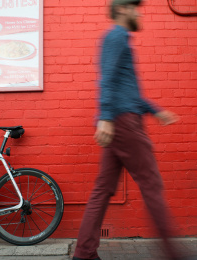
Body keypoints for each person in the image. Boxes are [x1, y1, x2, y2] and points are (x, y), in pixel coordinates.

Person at [72, 0, 182, 260]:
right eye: (135, 7)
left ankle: (84, 253)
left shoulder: (120, 39)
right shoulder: (117, 36)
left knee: (103, 188)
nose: (137, 12)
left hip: (119, 120)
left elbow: (128, 90)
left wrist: (156, 111)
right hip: (123, 123)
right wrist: (107, 117)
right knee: (151, 183)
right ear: (122, 9)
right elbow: (107, 77)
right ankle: (174, 254)